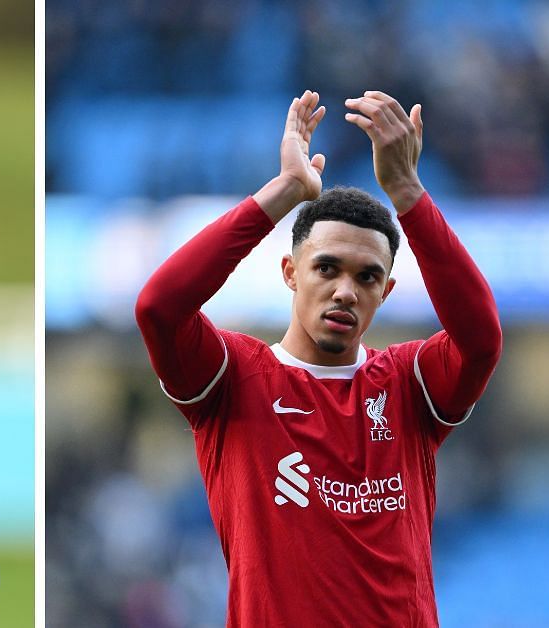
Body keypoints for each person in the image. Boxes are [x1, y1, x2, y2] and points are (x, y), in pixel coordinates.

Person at [135, 90, 502, 626]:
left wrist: (407, 193)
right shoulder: (234, 378)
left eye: (367, 276)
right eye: (326, 268)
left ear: (387, 291)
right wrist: (282, 194)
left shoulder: (408, 384)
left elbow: (481, 340)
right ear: (290, 273)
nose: (346, 291)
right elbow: (158, 309)